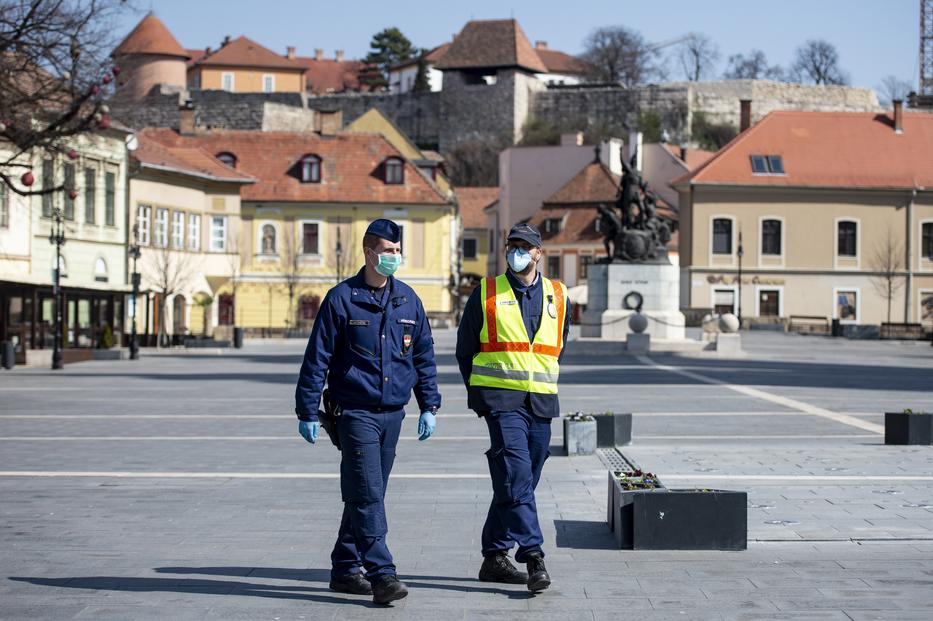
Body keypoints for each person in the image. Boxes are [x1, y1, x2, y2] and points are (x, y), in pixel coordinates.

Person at [295, 218, 441, 605]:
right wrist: (307, 410)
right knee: (369, 494)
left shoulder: (408, 299)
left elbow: (424, 356)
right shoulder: (341, 299)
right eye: (387, 251)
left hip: (394, 414)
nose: (394, 257)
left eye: (397, 251)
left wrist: (430, 405)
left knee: (366, 493)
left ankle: (345, 567)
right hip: (355, 413)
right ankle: (382, 573)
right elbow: (317, 358)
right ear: (369, 252)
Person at [455, 222, 571, 593]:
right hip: (501, 403)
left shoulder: (558, 294)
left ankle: (494, 556)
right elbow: (464, 348)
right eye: (512, 246)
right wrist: (481, 396)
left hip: (540, 402)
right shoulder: (487, 292)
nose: (517, 252)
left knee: (522, 477)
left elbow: (557, 345)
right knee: (518, 472)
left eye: (525, 247)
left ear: (539, 253)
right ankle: (534, 555)